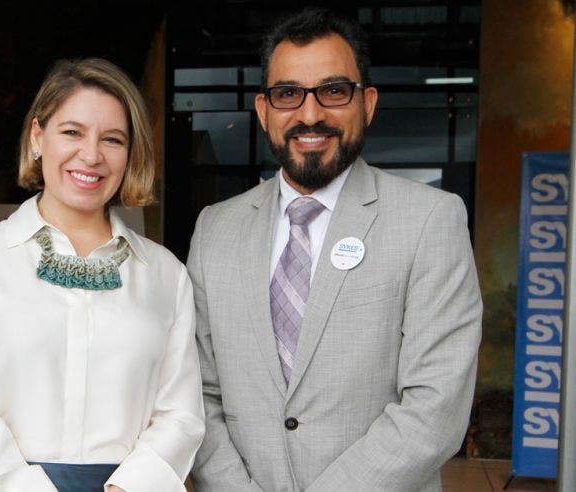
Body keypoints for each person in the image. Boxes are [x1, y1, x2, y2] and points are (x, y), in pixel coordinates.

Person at [188, 8, 482, 491]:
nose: (310, 114)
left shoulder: (430, 219)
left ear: (366, 103)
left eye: (333, 91)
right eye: (288, 94)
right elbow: (199, 393)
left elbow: (435, 405)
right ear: (263, 111)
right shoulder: (215, 230)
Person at [0, 58, 204, 491]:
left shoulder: (166, 275)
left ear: (130, 153)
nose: (91, 155)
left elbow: (182, 412)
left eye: (112, 139)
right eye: (72, 132)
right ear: (38, 136)